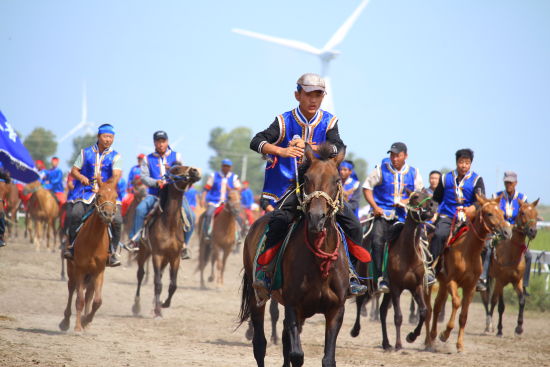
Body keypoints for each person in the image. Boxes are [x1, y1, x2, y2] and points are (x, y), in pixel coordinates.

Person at [249, 73, 368, 299]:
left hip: (321, 190)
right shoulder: (284, 121)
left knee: (353, 225)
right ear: (297, 95)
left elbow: (337, 147)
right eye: (308, 94)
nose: (313, 99)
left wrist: (309, 145)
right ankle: (265, 273)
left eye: (318, 95)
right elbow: (256, 141)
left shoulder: (329, 121)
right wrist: (281, 150)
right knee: (279, 222)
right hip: (290, 188)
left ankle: (351, 275)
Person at [362, 142, 424, 293]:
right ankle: (379, 277)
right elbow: (367, 188)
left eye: (398, 155)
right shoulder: (381, 169)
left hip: (404, 217)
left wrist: (404, 202)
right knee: (376, 241)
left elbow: (420, 194)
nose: (394, 158)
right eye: (392, 155)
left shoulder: (414, 172)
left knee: (421, 239)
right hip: (382, 215)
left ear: (405, 156)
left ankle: (426, 272)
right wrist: (375, 207)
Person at [63, 124, 123, 267]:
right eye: (105, 136)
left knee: (118, 220)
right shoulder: (85, 153)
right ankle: (71, 247)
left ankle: (113, 252)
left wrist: (103, 184)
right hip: (86, 193)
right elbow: (74, 170)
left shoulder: (116, 156)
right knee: (76, 214)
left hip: (106, 195)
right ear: (98, 136)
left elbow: (116, 176)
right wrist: (81, 177)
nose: (108, 140)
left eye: (111, 137)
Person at [128, 131, 193, 260]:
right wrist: (156, 182)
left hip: (175, 196)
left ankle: (184, 244)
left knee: (191, 215)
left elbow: (182, 173)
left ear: (167, 142)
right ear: (154, 143)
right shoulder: (147, 159)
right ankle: (135, 240)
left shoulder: (177, 156)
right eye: (158, 141)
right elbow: (144, 178)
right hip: (155, 195)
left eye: (163, 141)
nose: (161, 144)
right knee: (140, 209)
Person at [429, 148, 485, 285]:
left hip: (469, 219)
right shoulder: (445, 178)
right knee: (439, 234)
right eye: (461, 162)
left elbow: (480, 200)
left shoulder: (477, 180)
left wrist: (473, 207)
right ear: (456, 162)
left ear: (471, 164)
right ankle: (430, 269)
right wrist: (434, 213)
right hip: (448, 216)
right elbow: (436, 199)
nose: (464, 165)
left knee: (484, 242)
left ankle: (480, 276)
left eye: (467, 163)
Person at [479, 171, 531, 293]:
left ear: (516, 183)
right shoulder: (496, 196)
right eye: (507, 182)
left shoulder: (522, 199)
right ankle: (483, 278)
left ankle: (524, 284)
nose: (509, 184)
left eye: (511, 182)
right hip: (499, 232)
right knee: (488, 248)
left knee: (528, 255)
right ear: (504, 182)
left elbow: (526, 216)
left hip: (515, 233)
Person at [201, 159, 244, 240]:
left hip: (229, 203)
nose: (226, 168)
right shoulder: (214, 176)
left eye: (228, 166)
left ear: (230, 168)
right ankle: (207, 233)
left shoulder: (234, 177)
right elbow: (206, 188)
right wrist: (203, 198)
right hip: (214, 202)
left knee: (239, 217)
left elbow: (238, 190)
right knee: (208, 214)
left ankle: (238, 235)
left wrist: (230, 189)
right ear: (222, 166)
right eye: (225, 166)